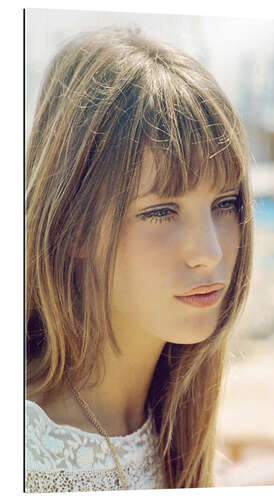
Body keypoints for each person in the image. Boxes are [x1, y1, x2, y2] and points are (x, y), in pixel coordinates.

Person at [25, 26, 253, 492]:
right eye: (161, 212)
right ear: (74, 227)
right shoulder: (32, 464)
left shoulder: (172, 419)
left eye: (225, 205)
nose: (209, 253)